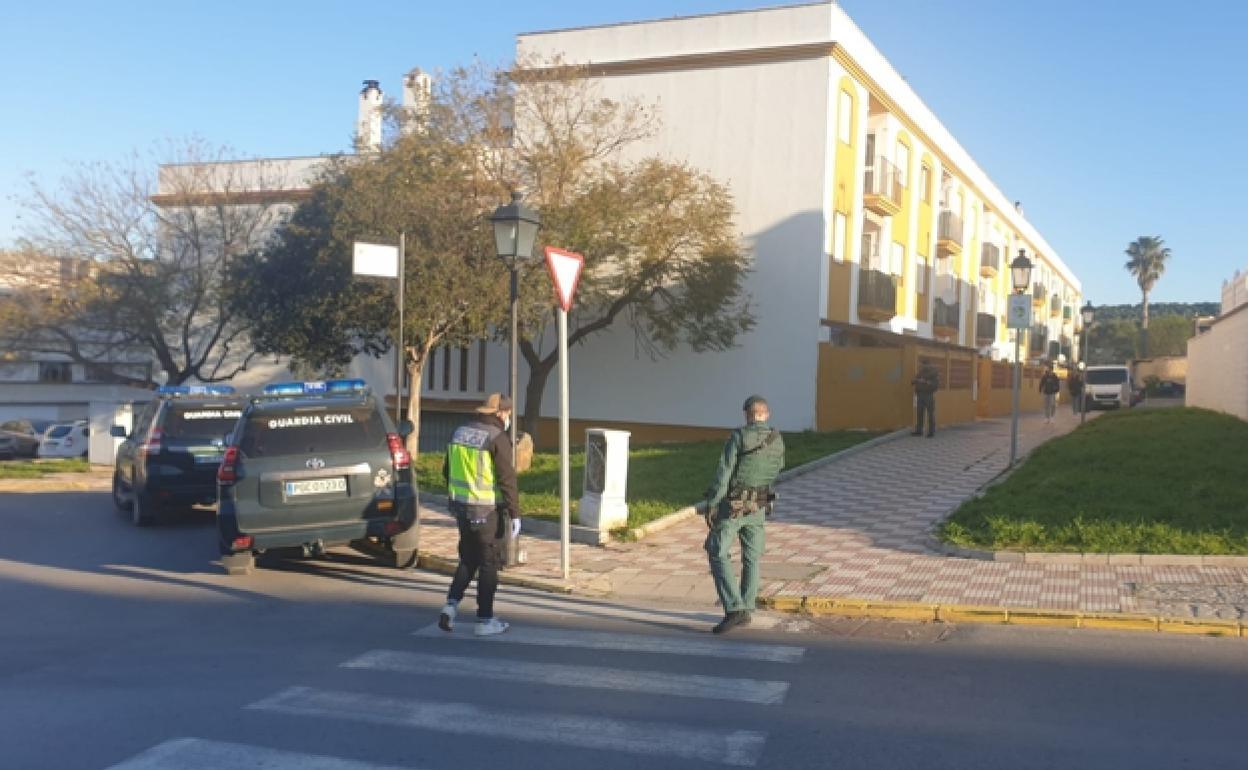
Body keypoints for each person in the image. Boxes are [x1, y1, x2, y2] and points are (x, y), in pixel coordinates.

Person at [702, 395, 786, 635]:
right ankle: (747, 608)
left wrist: (713, 503)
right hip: (760, 505)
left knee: (716, 550)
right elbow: (778, 468)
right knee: (752, 557)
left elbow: (724, 471)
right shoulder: (777, 439)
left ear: (747, 414)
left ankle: (733, 607)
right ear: (766, 414)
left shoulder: (738, 437)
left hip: (734, 506)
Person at [438, 393, 520, 636]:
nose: (509, 418)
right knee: (488, 563)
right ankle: (484, 620)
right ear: (500, 413)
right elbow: (507, 479)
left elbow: (446, 471)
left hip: (461, 508)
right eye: (508, 414)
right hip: (486, 510)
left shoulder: (459, 432)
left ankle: (450, 606)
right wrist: (515, 513)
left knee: (468, 558)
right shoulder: (497, 437)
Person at [911, 360, 940, 437]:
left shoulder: (934, 373)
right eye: (921, 365)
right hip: (920, 394)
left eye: (923, 365)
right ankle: (919, 430)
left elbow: (936, 385)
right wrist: (916, 381)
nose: (922, 366)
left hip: (929, 395)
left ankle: (931, 431)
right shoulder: (920, 372)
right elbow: (913, 381)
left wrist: (926, 382)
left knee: (930, 414)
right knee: (919, 413)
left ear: (928, 365)